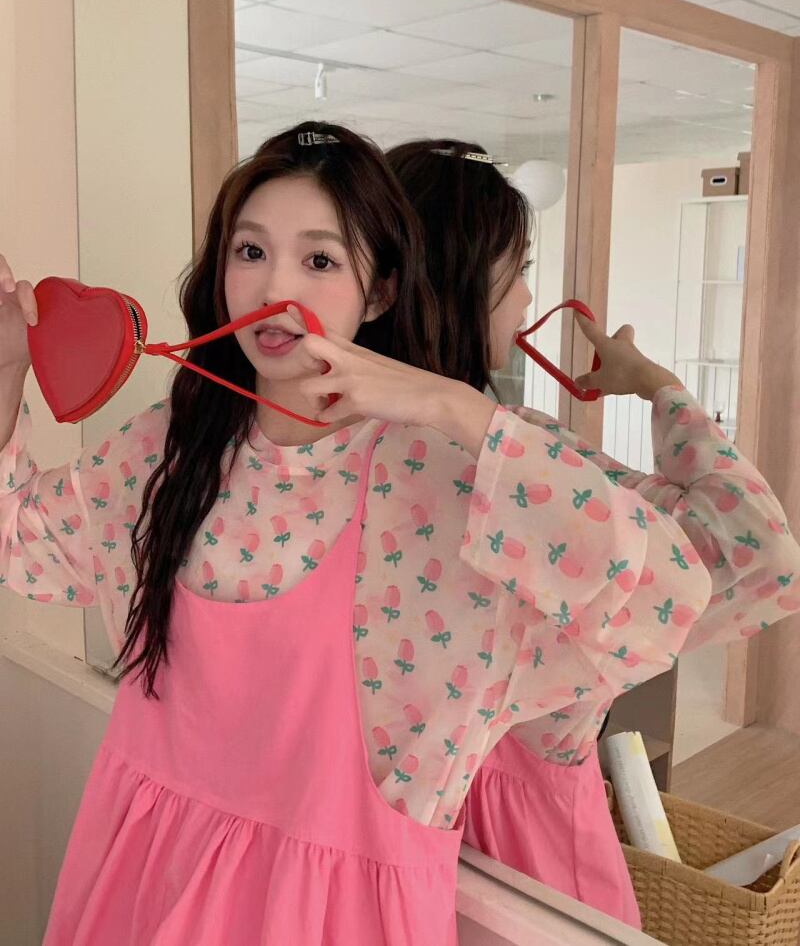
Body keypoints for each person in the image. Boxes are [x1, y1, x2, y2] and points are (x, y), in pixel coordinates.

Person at [0, 120, 727, 944]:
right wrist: (8, 371)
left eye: (319, 261)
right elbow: (20, 544)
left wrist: (451, 405)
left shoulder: (443, 479)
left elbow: (666, 594)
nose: (275, 286)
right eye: (250, 251)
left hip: (331, 919)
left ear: (378, 293)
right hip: (143, 883)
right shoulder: (174, 444)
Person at [387, 137, 800, 928]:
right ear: (463, 285)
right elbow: (760, 550)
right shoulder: (527, 468)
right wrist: (658, 387)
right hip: (527, 844)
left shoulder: (323, 453)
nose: (527, 296)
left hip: (381, 836)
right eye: (518, 271)